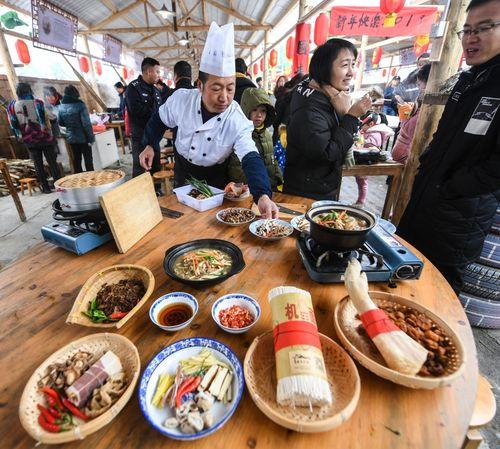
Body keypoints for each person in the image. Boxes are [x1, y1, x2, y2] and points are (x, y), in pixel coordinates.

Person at [397, 0, 500, 294]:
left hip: (458, 217)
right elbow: (442, 136)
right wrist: (428, 167)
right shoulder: (467, 81)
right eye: (466, 30)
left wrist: (452, 186)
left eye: (484, 28)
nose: (471, 38)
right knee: (404, 283)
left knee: (437, 295)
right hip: (424, 203)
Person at [140, 22, 279, 218]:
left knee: (212, 224)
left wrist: (262, 195)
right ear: (199, 85)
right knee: (182, 221)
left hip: (216, 177)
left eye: (230, 88)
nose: (224, 97)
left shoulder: (236, 118)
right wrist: (149, 144)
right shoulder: (181, 100)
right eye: (216, 88)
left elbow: (250, 157)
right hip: (184, 171)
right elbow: (159, 120)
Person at [283, 38, 372, 200]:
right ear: (325, 68)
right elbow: (326, 154)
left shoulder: (329, 96)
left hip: (320, 187)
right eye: (345, 65)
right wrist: (351, 117)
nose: (351, 72)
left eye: (353, 64)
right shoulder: (310, 107)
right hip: (308, 193)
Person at [7, 82, 60, 193]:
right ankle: (58, 186)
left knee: (38, 164)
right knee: (52, 163)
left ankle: (45, 188)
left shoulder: (13, 107)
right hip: (45, 139)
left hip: (29, 140)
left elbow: (13, 124)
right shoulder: (38, 103)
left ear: (18, 92)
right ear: (29, 90)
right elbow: (53, 117)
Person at [227, 87, 283, 189]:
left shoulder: (266, 133)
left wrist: (278, 176)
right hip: (251, 190)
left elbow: (271, 158)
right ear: (246, 110)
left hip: (270, 188)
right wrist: (263, 183)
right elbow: (237, 170)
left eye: (263, 111)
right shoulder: (240, 135)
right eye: (254, 110)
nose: (259, 115)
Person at [125, 57, 162, 177]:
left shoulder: (156, 90)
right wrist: (157, 114)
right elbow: (136, 111)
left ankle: (156, 191)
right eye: (157, 72)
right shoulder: (133, 88)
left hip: (154, 137)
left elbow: (161, 109)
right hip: (140, 137)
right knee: (141, 168)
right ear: (149, 72)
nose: (158, 75)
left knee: (155, 166)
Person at [392, 63, 431, 164]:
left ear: (429, 83)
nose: (418, 89)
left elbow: (408, 130)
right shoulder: (420, 103)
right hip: (404, 159)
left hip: (410, 160)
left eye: (419, 84)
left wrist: (405, 117)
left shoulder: (429, 110)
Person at [353, 112, 394, 206]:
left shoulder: (375, 134)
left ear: (371, 124)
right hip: (362, 160)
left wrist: (361, 141)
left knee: (362, 182)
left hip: (367, 161)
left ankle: (361, 201)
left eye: (363, 125)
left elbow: (371, 146)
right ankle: (360, 201)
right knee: (360, 181)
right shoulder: (369, 131)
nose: (361, 127)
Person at [57, 85, 95, 173]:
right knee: (88, 160)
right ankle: (92, 179)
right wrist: (91, 138)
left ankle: (79, 181)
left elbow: (61, 123)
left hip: (71, 138)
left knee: (77, 160)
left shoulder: (61, 107)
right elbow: (86, 124)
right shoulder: (80, 105)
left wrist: (70, 125)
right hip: (83, 138)